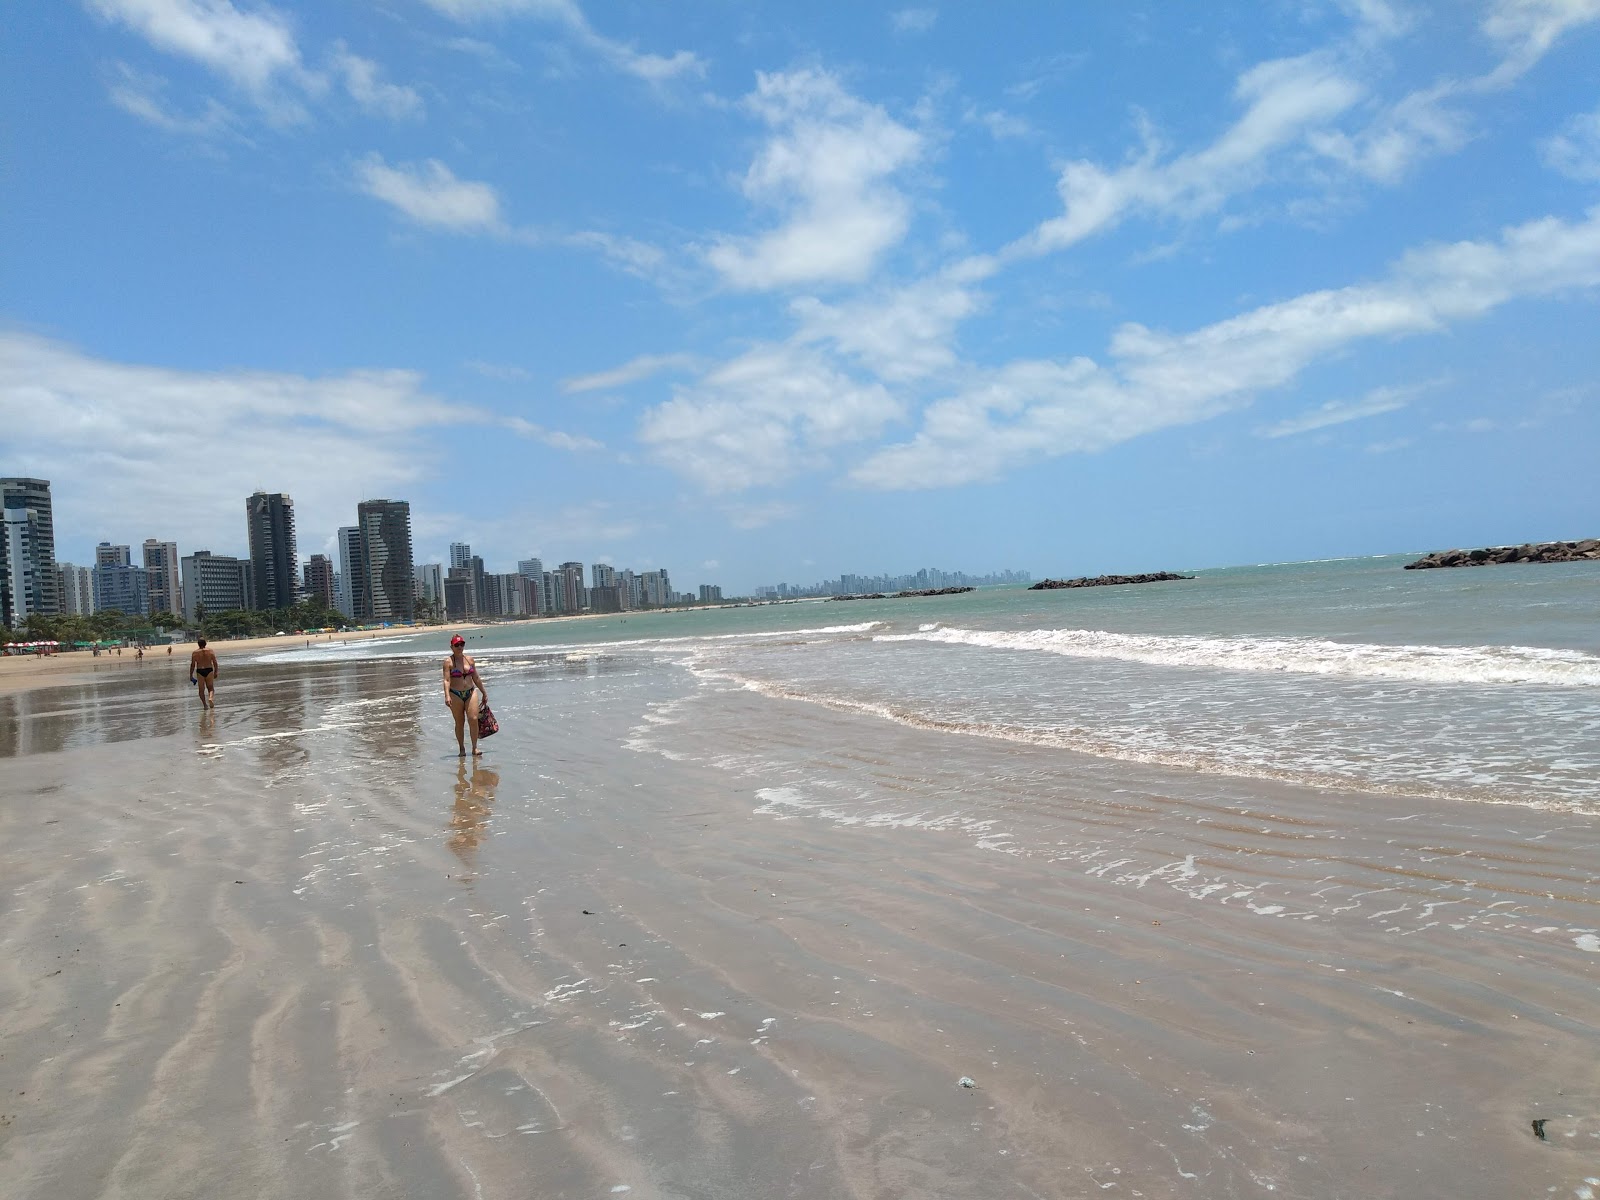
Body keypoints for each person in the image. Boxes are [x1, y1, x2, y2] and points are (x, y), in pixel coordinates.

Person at [442, 634, 488, 757]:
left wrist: (483, 691)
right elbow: (446, 680)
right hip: (455, 693)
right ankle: (462, 748)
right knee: (459, 721)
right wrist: (447, 696)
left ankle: (474, 748)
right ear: (451, 647)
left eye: (462, 644)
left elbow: (476, 677)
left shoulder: (470, 660)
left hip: (470, 691)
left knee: (473, 719)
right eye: (457, 645)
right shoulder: (448, 662)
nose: (460, 647)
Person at [190, 637, 219, 708]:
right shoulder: (210, 651)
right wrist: (216, 672)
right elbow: (215, 662)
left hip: (200, 671)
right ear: (205, 643)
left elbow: (193, 665)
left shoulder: (195, 653)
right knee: (211, 688)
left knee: (201, 690)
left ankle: (205, 705)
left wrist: (191, 675)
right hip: (209, 670)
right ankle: (210, 698)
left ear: (198, 644)